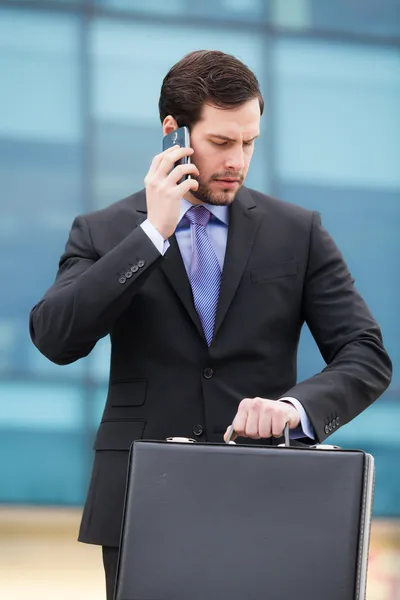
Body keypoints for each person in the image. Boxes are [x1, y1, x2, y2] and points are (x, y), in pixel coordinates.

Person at [29, 49, 392, 599]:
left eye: (249, 143)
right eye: (222, 142)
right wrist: (153, 233)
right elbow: (55, 338)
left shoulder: (299, 232)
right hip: (143, 500)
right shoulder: (103, 232)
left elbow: (366, 353)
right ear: (173, 134)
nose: (238, 161)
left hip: (266, 496)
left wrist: (295, 409)